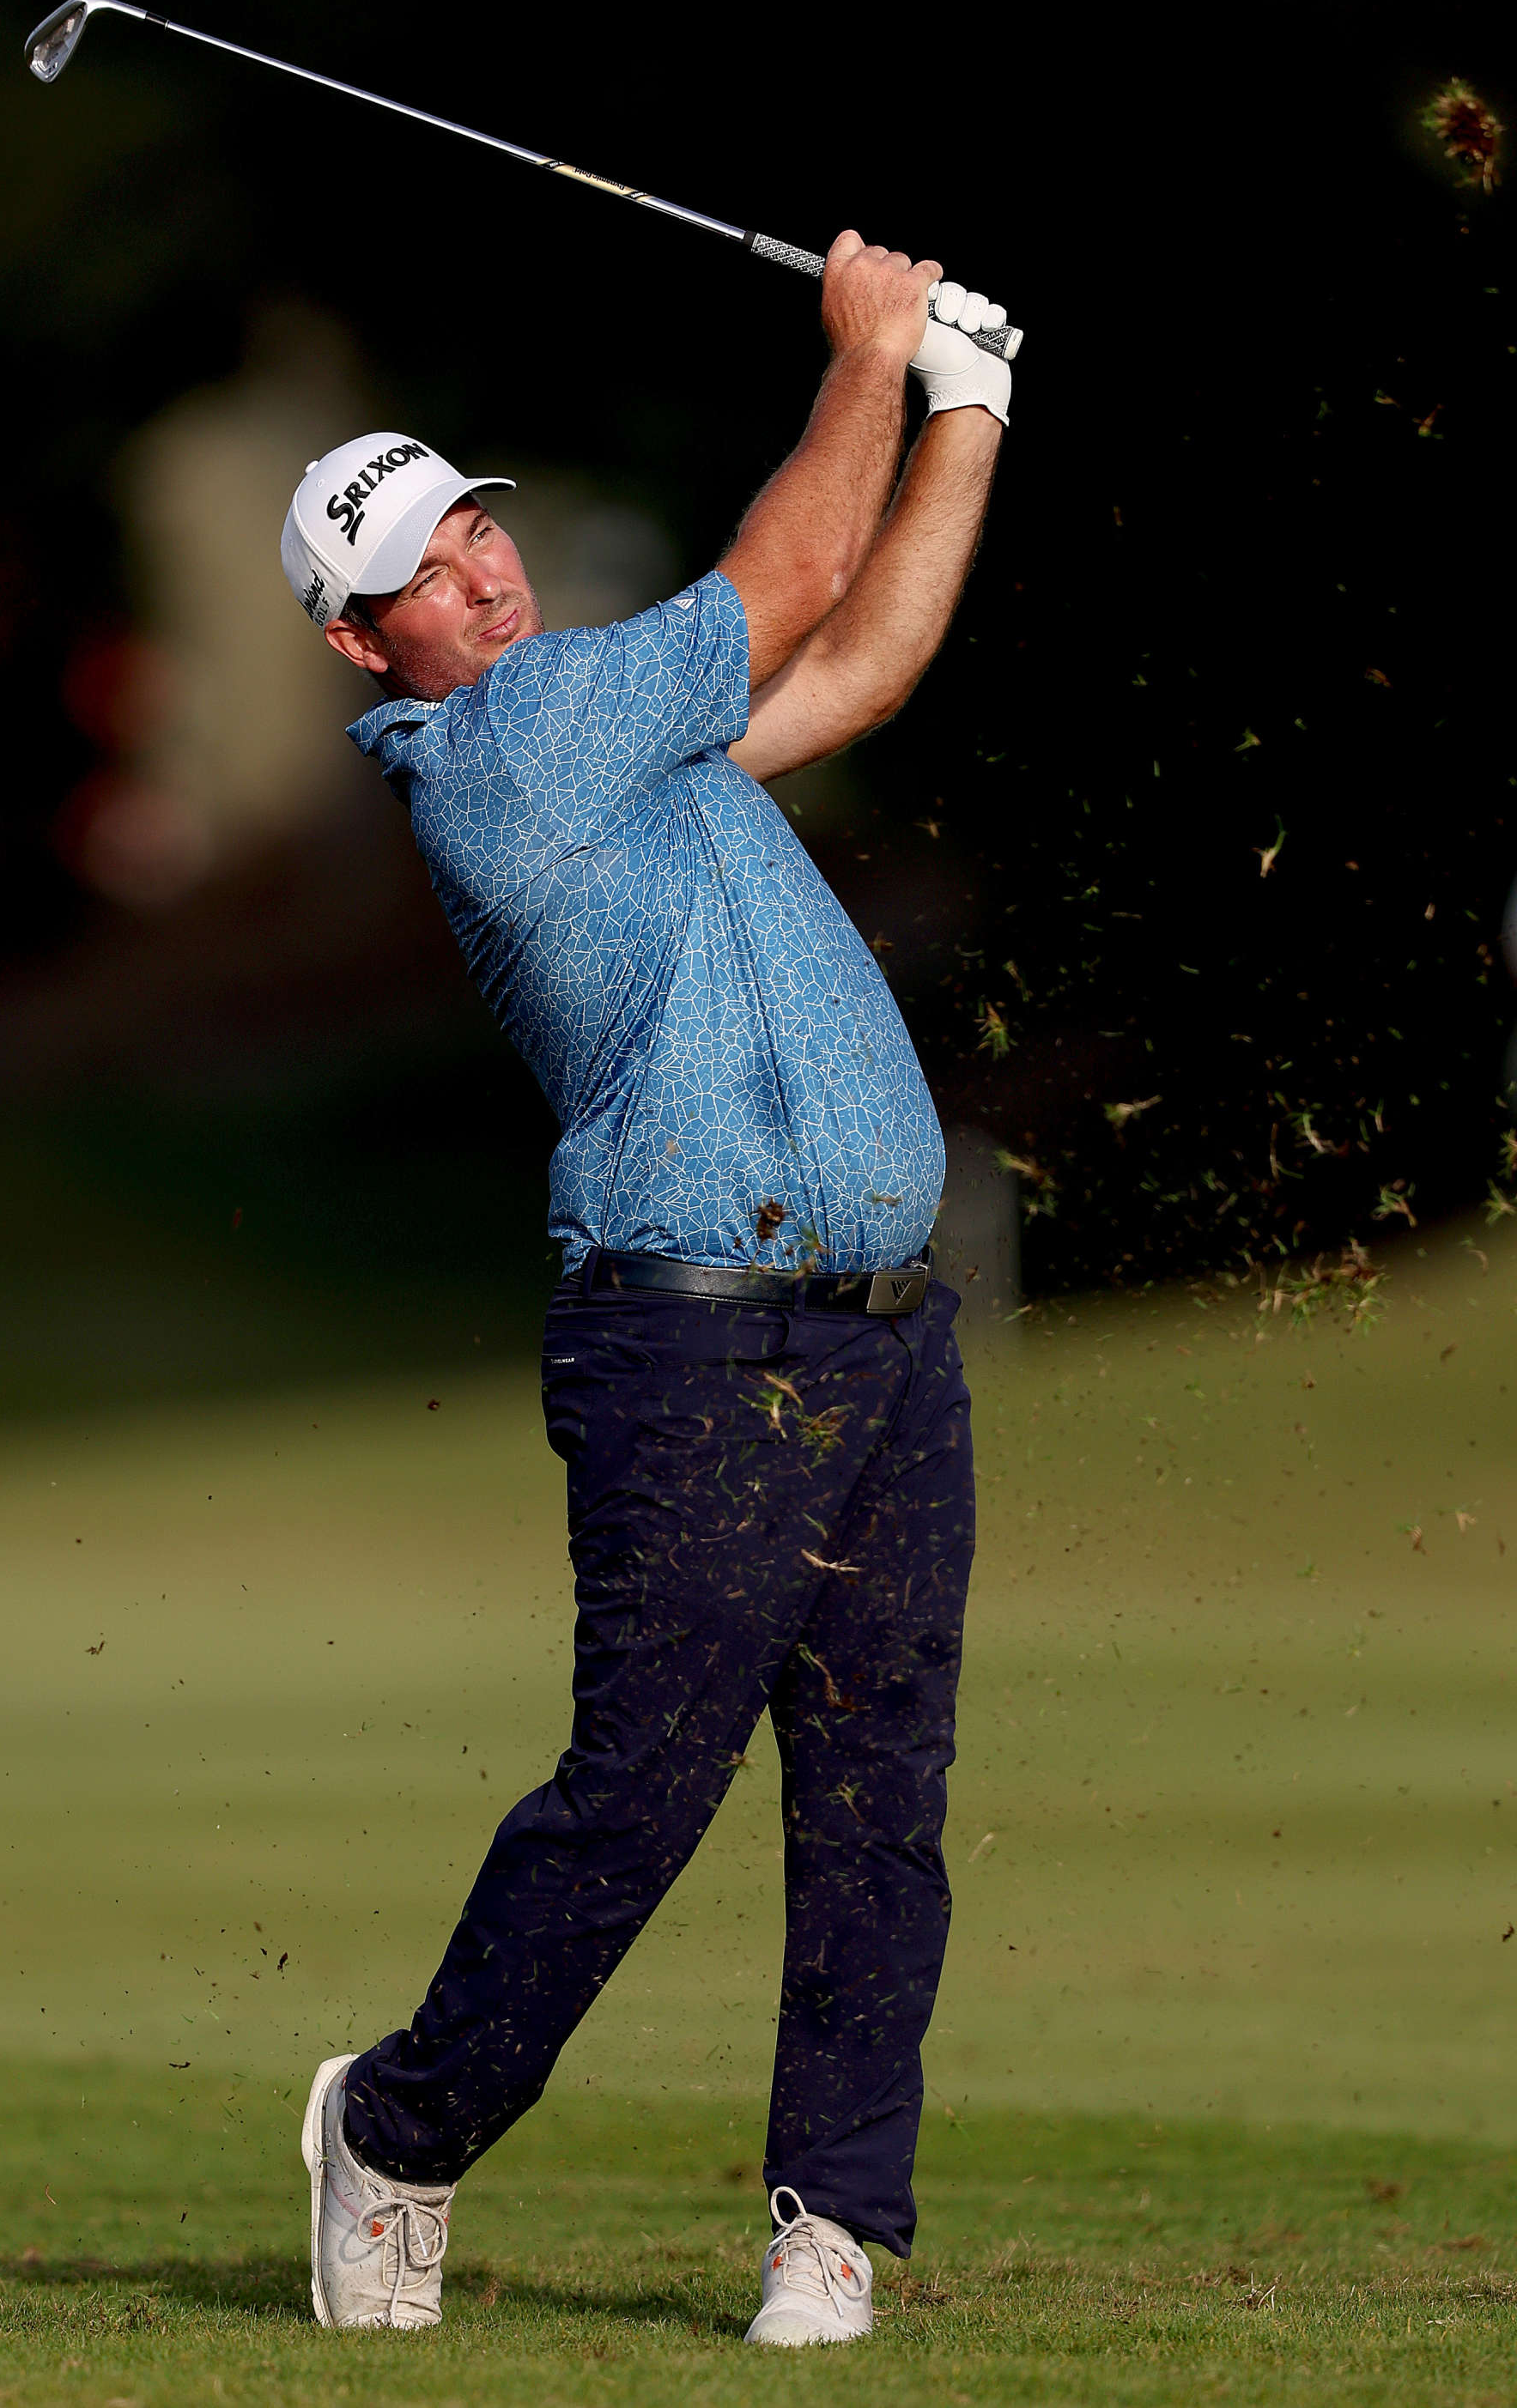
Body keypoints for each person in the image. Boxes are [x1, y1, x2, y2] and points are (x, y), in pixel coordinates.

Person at [279, 232, 1010, 2346]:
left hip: (879, 1338)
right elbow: (782, 583)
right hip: (689, 1344)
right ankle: (398, 2133)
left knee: (885, 1796)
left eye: (480, 524)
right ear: (362, 644)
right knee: (639, 1799)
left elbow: (858, 664)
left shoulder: (643, 749)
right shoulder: (512, 759)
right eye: (427, 566)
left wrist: (966, 409)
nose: (487, 573)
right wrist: (873, 350)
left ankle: (829, 2226)